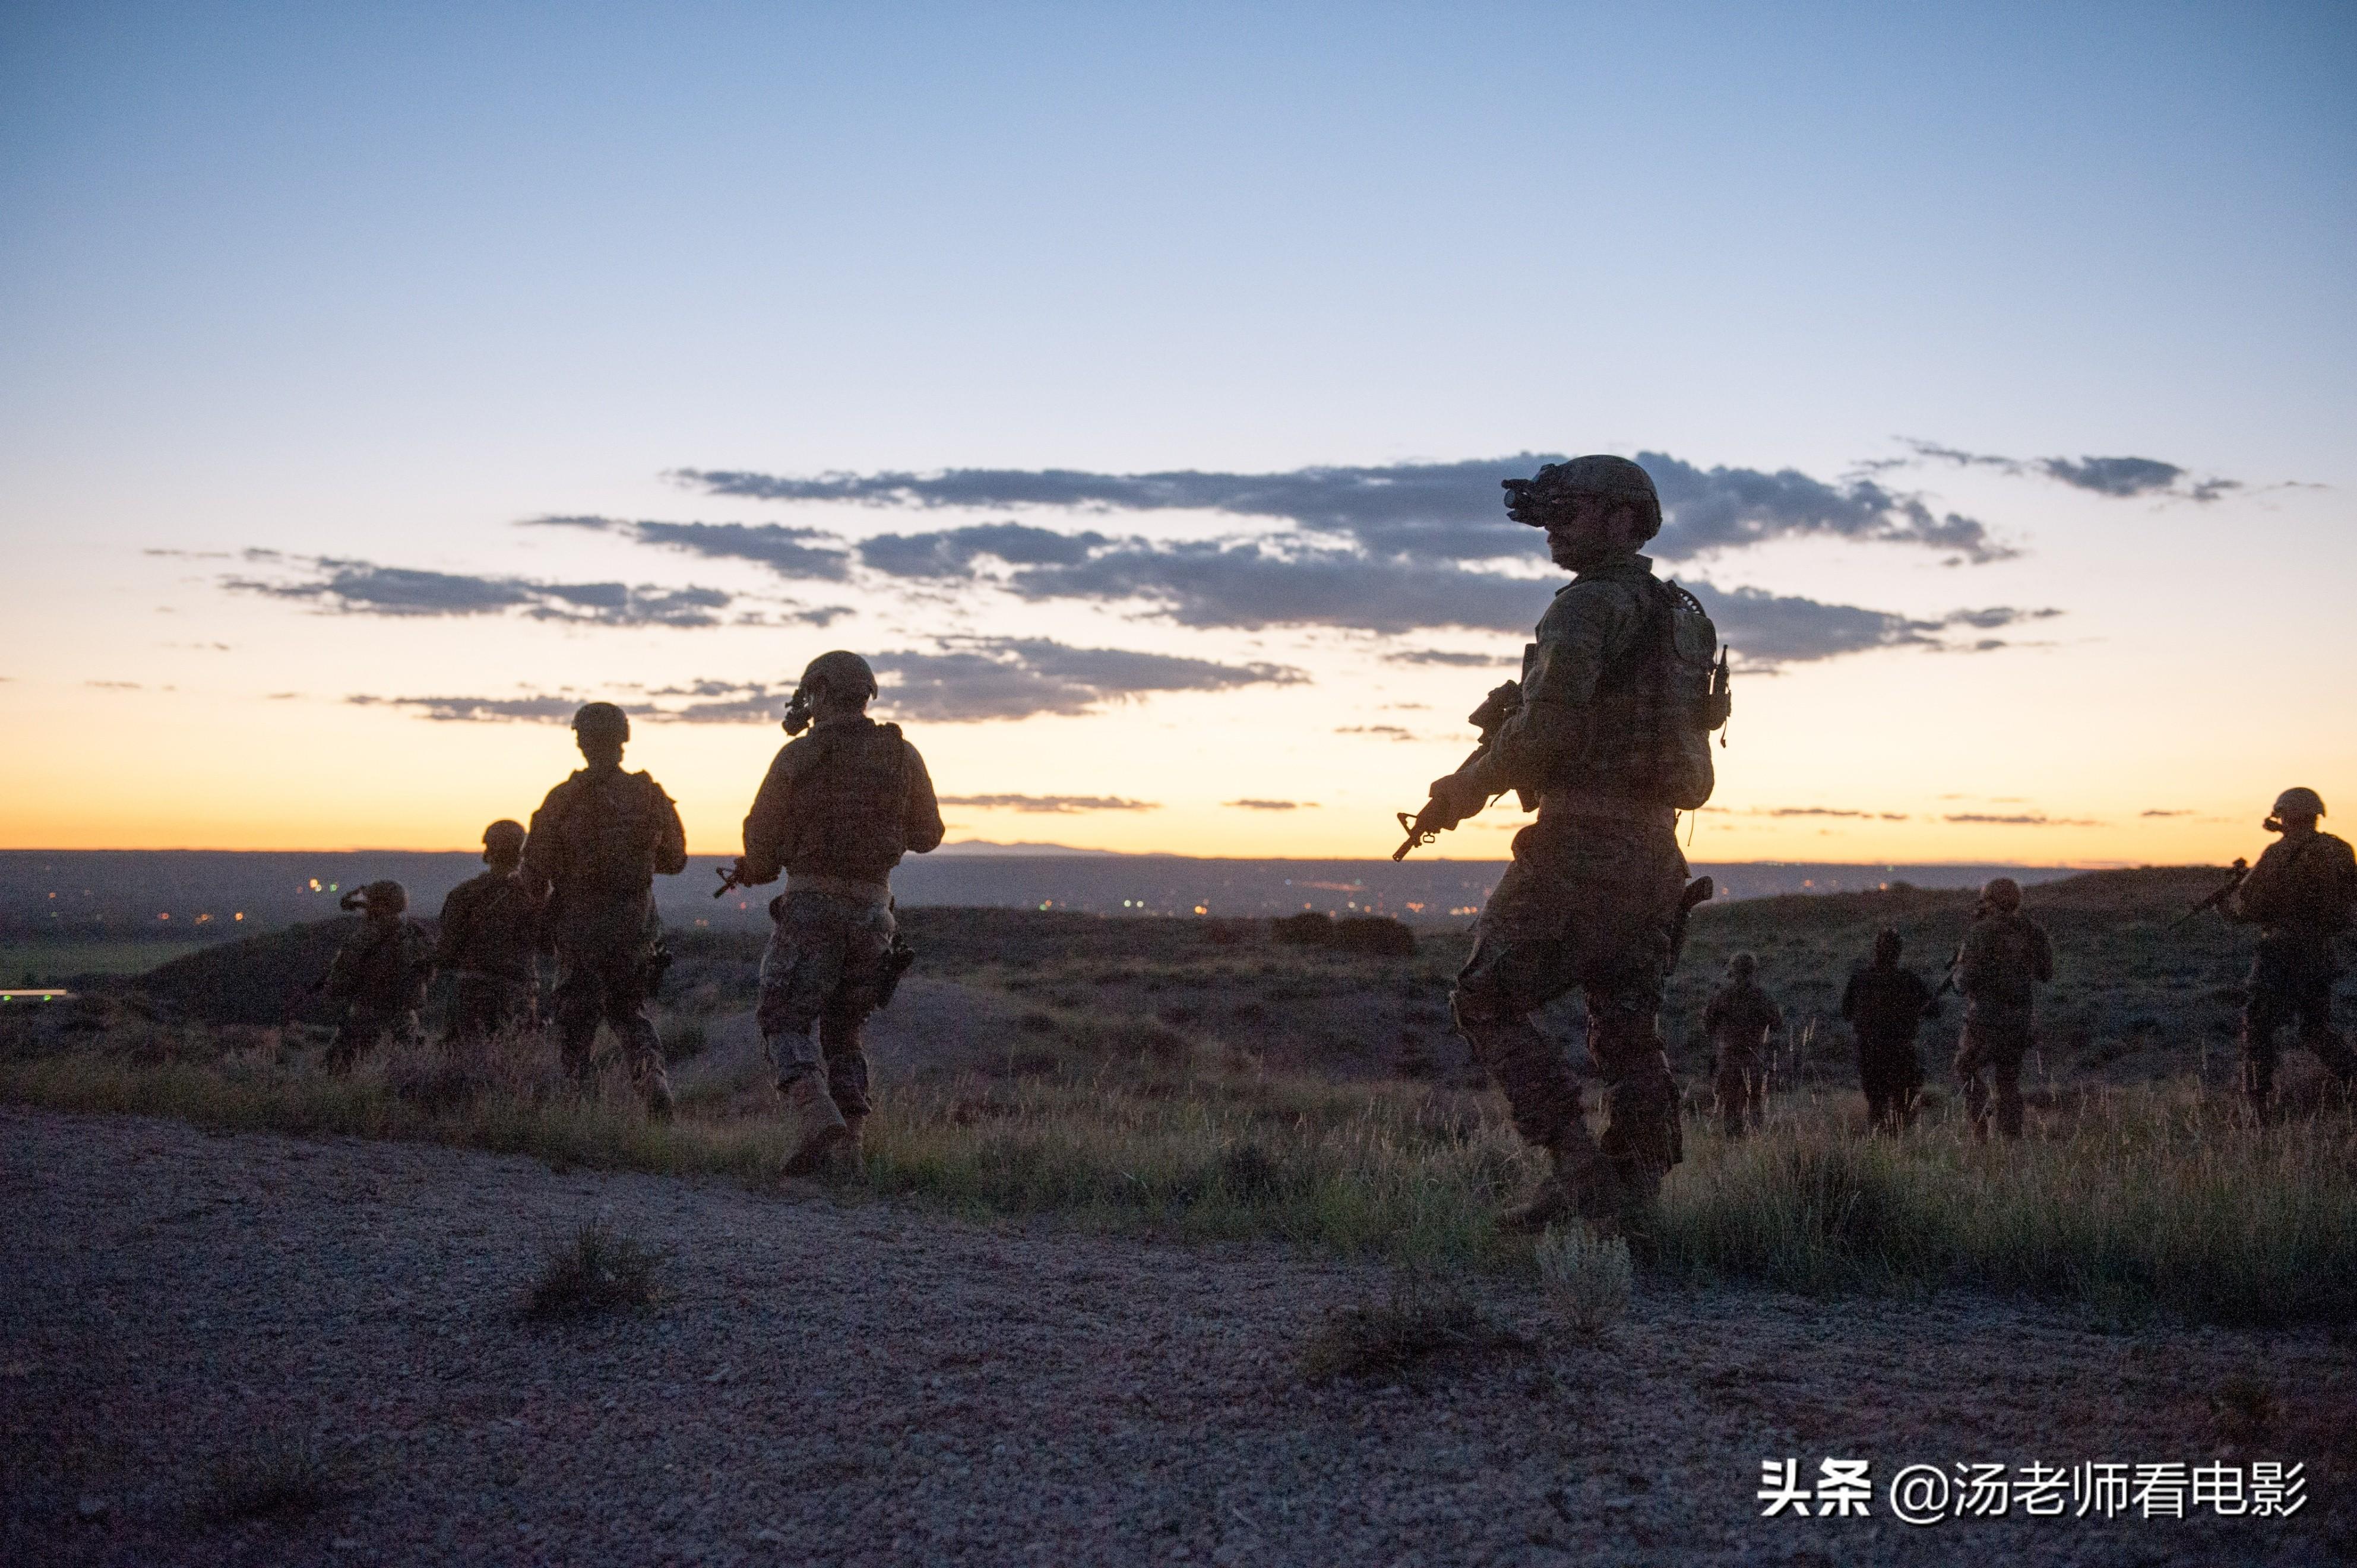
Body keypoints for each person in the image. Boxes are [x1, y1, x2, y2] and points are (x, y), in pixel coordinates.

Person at [1419, 455, 1727, 1231]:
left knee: (1484, 998)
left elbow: (1546, 732)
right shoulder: (1681, 614)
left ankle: (1581, 1177)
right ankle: (1637, 1199)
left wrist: (1462, 791)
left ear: (1624, 520)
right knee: (1626, 1026)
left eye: (1571, 512)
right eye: (1549, 515)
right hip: (1656, 852)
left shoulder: (1586, 607)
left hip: (1583, 844)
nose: (1553, 529)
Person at [727, 651, 945, 1176]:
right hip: (874, 914)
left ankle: (814, 1113)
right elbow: (928, 835)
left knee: (782, 1018)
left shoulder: (797, 757)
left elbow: (762, 847)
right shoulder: (902, 754)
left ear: (821, 692)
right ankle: (851, 1151)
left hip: (811, 908)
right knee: (844, 1030)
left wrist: (759, 867)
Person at [523, 703, 688, 1113]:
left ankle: (580, 1106)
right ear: (623, 739)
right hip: (635, 922)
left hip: (579, 923)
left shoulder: (562, 798)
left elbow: (534, 870)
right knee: (629, 1012)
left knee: (576, 1020)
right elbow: (676, 859)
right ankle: (652, 1076)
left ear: (581, 741)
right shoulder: (649, 794)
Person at [2225, 786, 2357, 1121]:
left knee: (2259, 1029)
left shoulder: (2279, 853)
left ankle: (2258, 1108)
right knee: (2316, 1029)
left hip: (2281, 953)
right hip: (2320, 952)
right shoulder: (2340, 850)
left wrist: (2230, 901)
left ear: (2286, 816)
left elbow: (2252, 907)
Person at [1950, 877, 2053, 1141]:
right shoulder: (2033, 931)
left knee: (1965, 1067)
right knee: (2008, 1081)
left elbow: (1963, 982)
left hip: (1985, 1019)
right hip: (2019, 1020)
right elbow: (2046, 973)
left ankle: (1980, 1130)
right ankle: (2011, 1139)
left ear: (1990, 901)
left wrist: (1959, 970)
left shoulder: (1981, 931)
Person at [436, 819, 546, 1048]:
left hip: (470, 992)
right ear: (521, 852)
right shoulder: (533, 897)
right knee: (514, 1060)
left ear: (488, 851)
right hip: (518, 992)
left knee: (463, 1059)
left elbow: (446, 952)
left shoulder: (464, 894)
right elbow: (547, 944)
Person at [322, 879, 434, 1073]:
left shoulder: (364, 937)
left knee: (339, 1072)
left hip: (365, 1023)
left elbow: (336, 986)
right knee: (406, 1076)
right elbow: (429, 974)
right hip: (405, 1024)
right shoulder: (417, 935)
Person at [1841, 927, 1931, 1133]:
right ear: (1899, 952)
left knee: (1877, 1103)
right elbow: (1934, 1010)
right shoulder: (1909, 980)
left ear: (1876, 950)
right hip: (1901, 1052)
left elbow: (1846, 1012)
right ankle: (1895, 1140)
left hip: (1869, 1051)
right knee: (1904, 1104)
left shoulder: (1860, 979)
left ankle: (1877, 1139)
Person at [1702, 952, 1781, 1138]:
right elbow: (1777, 1024)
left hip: (1729, 1058)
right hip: (1754, 1058)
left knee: (1730, 1105)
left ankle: (1733, 1145)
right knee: (1754, 1103)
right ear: (1753, 971)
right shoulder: (1762, 997)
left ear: (1733, 972)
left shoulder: (1722, 996)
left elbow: (1708, 1025)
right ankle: (1755, 1143)